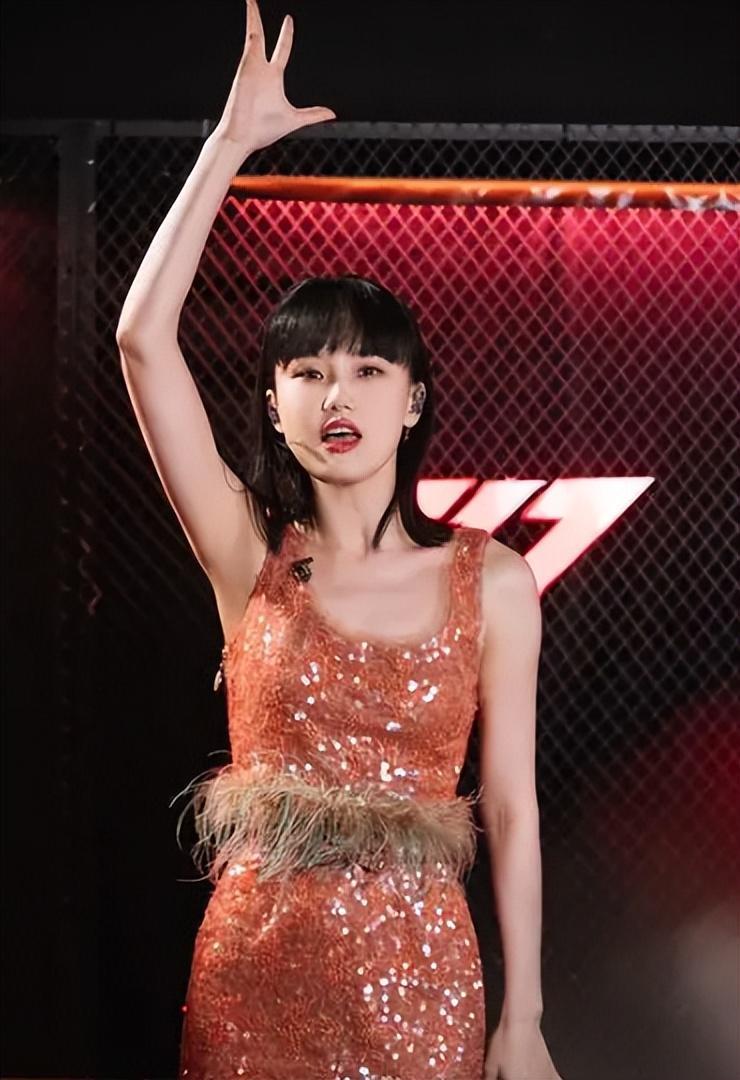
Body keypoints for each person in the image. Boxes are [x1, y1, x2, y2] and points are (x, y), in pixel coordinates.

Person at [116, 2, 563, 1077]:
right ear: (274, 407)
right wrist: (228, 146)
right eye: (307, 371)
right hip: (252, 979)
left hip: (423, 985)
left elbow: (509, 807)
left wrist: (523, 1018)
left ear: (412, 402)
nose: (336, 395)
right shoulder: (248, 555)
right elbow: (140, 338)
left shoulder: (492, 580)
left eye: (367, 370)